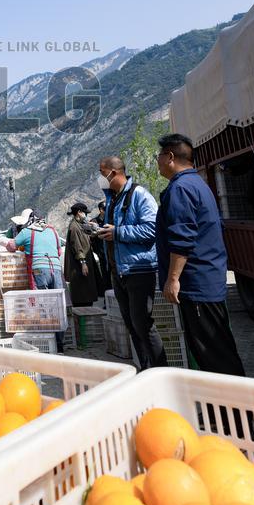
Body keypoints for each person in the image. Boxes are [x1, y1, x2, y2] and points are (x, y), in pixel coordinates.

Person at [156, 133, 245, 376]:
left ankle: (234, 411)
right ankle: (232, 407)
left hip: (196, 284)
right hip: (208, 279)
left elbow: (182, 239)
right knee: (219, 348)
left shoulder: (180, 189)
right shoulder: (197, 183)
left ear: (170, 157)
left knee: (213, 354)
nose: (157, 161)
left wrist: (173, 278)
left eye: (159, 156)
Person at [100, 157, 168, 369]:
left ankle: (160, 369)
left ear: (113, 172)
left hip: (138, 270)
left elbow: (152, 229)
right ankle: (145, 368)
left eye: (102, 173)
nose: (100, 178)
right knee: (132, 325)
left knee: (143, 324)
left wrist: (117, 232)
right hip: (119, 271)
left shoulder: (139, 195)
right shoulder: (113, 198)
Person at [2, 208, 66, 352]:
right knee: (58, 307)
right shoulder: (53, 231)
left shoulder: (27, 232)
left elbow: (12, 246)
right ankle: (60, 345)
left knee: (42, 306)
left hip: (39, 269)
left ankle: (48, 344)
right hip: (55, 269)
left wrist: (5, 242)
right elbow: (59, 250)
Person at [64, 202, 101, 307]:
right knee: (83, 294)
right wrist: (83, 263)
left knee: (87, 292)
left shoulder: (80, 225)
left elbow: (91, 235)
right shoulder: (74, 227)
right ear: (79, 213)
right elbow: (77, 247)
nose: (86, 215)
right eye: (84, 213)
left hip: (85, 262)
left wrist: (95, 227)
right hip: (79, 266)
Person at [89, 200, 110, 296]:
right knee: (105, 276)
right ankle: (107, 299)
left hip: (112, 254)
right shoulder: (94, 222)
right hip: (102, 254)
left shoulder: (110, 220)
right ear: (101, 210)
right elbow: (90, 237)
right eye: (105, 209)